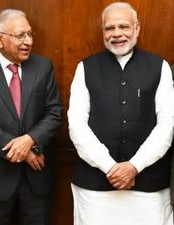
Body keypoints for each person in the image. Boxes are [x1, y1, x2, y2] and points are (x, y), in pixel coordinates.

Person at [68, 2, 174, 225]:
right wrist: (110, 167)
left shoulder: (160, 66)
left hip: (148, 186)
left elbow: (167, 124)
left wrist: (134, 166)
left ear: (137, 28)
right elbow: (76, 124)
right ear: (103, 32)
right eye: (109, 28)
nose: (116, 34)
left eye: (123, 26)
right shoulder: (85, 67)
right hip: (95, 187)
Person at [0, 9, 63, 225]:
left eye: (30, 34)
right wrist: (23, 152)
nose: (28, 41)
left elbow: (54, 113)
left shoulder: (43, 66)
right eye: (20, 36)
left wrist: (30, 141)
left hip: (37, 177)